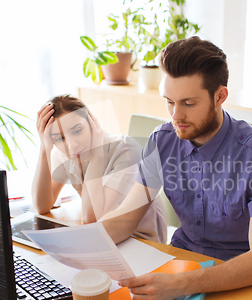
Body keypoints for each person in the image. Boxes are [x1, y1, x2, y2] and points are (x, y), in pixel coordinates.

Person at [99, 36, 252, 300]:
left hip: (244, 278)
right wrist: (81, 247)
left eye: (188, 103)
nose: (176, 115)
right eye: (169, 102)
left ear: (220, 96)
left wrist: (180, 285)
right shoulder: (162, 140)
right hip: (182, 263)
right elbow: (126, 217)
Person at [31, 94, 167, 243]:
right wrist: (44, 148)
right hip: (103, 240)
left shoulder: (126, 150)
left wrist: (97, 155)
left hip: (142, 241)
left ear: (91, 123)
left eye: (77, 131)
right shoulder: (66, 153)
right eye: (59, 138)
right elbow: (41, 206)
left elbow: (92, 220)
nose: (72, 145)